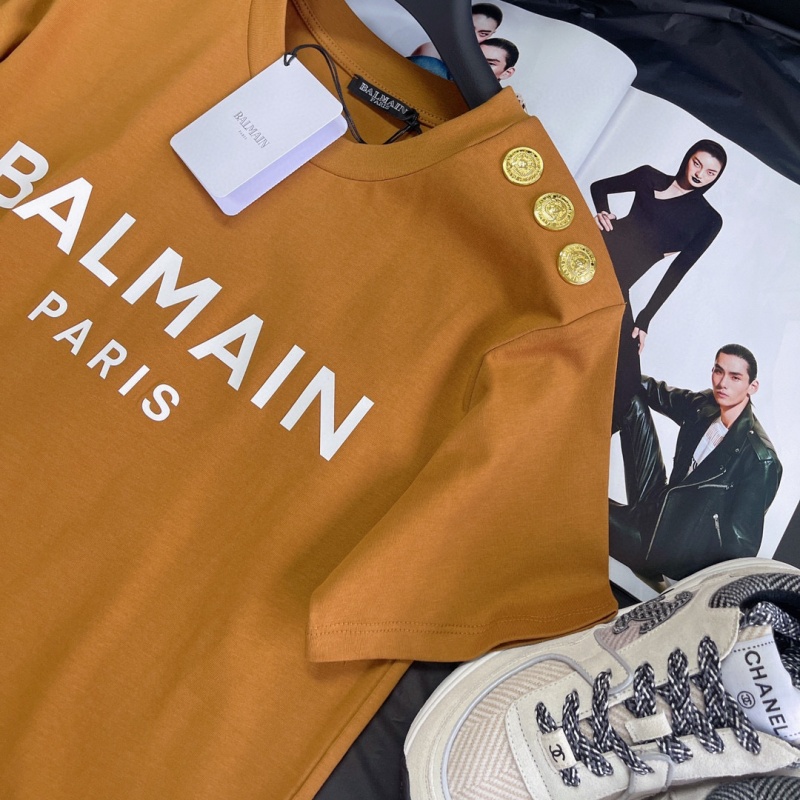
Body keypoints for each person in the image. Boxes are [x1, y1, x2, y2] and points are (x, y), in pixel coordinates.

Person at [610, 344, 782, 581]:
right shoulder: (706, 405)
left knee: (580, 506)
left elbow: (739, 547)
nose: (722, 383)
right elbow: (656, 392)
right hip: (656, 504)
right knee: (632, 397)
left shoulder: (760, 459)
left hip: (664, 549)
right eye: (718, 371)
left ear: (752, 386)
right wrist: (620, 364)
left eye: (735, 377)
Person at [590, 140, 728, 429]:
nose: (700, 174)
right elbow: (599, 186)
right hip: (593, 255)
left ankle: (590, 432)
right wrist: (603, 212)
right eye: (697, 163)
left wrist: (645, 317)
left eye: (710, 173)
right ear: (687, 158)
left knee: (627, 381)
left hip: (617, 283)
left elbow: (678, 270)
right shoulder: (649, 176)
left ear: (716, 178)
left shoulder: (708, 220)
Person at [407, 3, 503, 80]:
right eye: (469, 28)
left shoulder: (486, 59)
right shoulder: (432, 50)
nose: (473, 37)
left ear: (491, 34)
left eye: (483, 34)